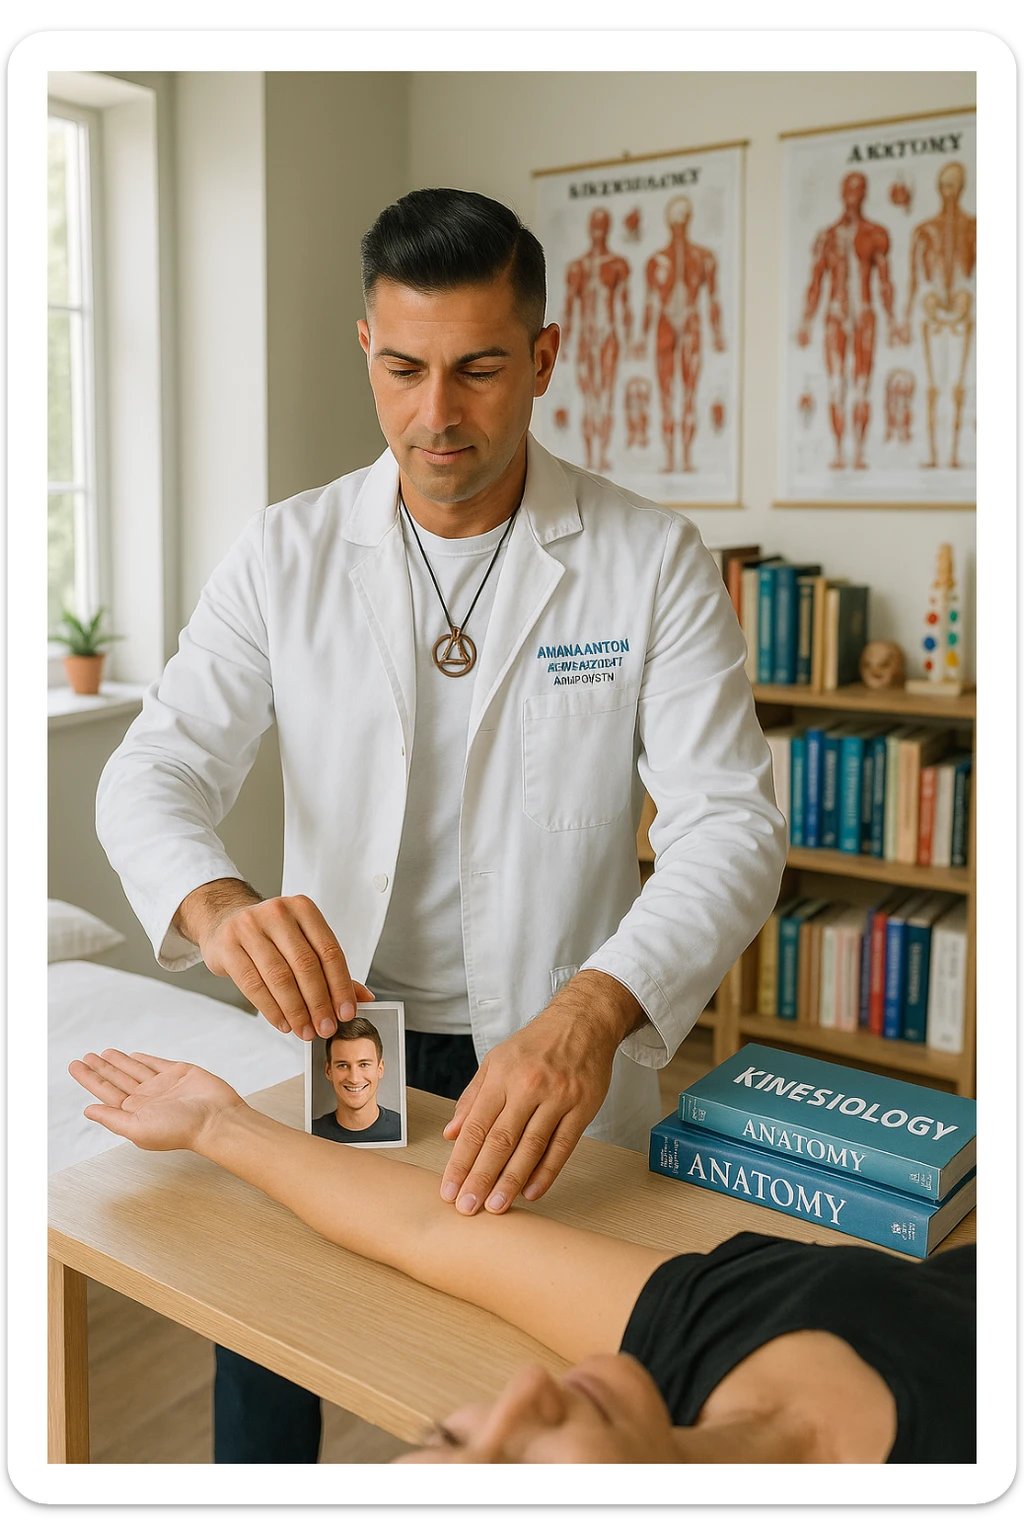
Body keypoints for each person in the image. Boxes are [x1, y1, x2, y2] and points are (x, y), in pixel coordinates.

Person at [95, 186, 787, 1460]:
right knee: (275, 1346)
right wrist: (219, 904)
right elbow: (155, 768)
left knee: (550, 1384)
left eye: (477, 370)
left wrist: (592, 1010)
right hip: (340, 1042)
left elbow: (731, 827)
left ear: (542, 356)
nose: (437, 416)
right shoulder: (283, 553)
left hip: (551, 1045)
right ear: (365, 347)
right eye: (404, 368)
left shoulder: (647, 558)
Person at [69, 1049, 977, 1465]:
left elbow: (432, 1232)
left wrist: (216, 1124)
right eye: (519, 1471)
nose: (522, 1396)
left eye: (454, 1436)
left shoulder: (696, 1344)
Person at [797, 171, 898, 471]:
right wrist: (806, 321)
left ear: (865, 193)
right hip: (837, 315)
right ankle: (840, 450)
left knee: (862, 385)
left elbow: (885, 281)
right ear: (842, 192)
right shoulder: (827, 237)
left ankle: (859, 451)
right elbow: (815, 281)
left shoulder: (875, 234)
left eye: (860, 189)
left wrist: (893, 321)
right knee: (837, 384)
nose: (855, 194)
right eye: (850, 188)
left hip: (865, 313)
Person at [311, 1017, 402, 1145]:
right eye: (342, 1065)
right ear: (328, 1071)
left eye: (364, 1064)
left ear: (380, 1069)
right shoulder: (313, 1133)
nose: (354, 1079)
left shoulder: (401, 1128)